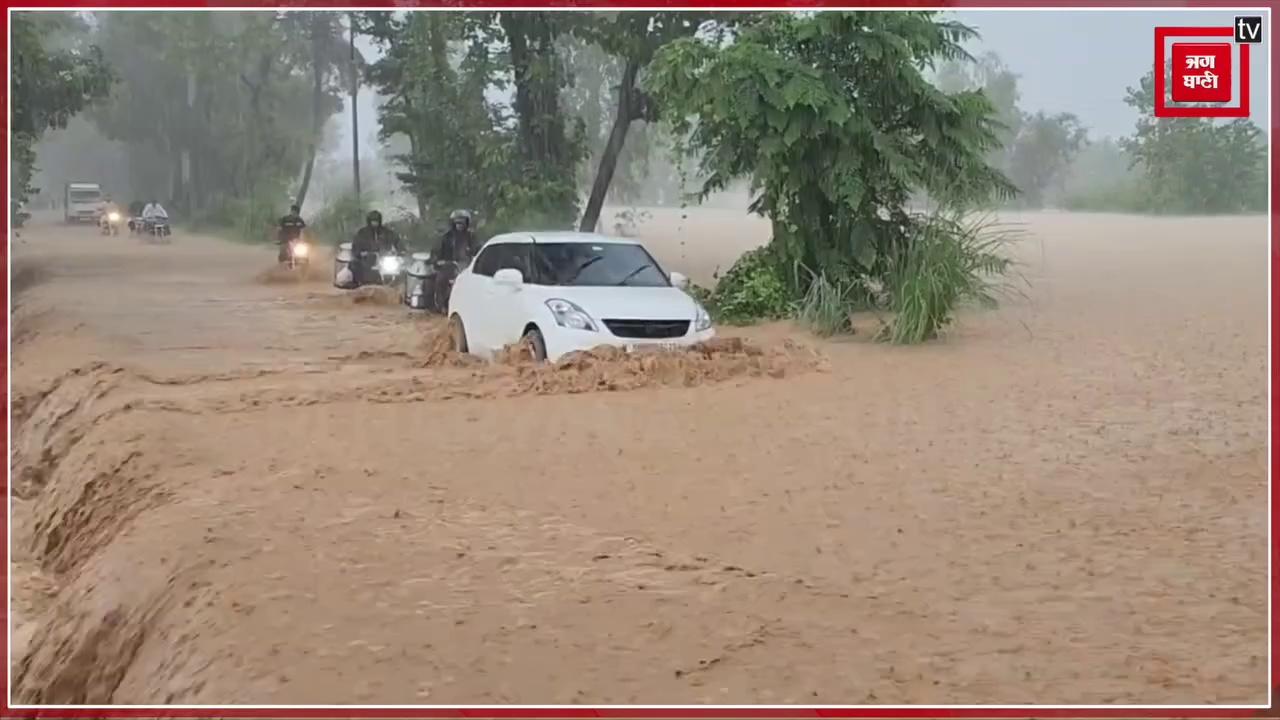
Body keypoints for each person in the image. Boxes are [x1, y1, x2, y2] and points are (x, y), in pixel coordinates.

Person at [349, 210, 404, 286]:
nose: (375, 223)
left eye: (376, 221)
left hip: (384, 260)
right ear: (369, 221)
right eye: (373, 221)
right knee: (353, 265)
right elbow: (355, 247)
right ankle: (358, 284)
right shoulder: (362, 233)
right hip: (367, 261)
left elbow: (397, 241)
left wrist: (400, 252)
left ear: (380, 221)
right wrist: (361, 253)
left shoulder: (386, 232)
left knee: (400, 269)